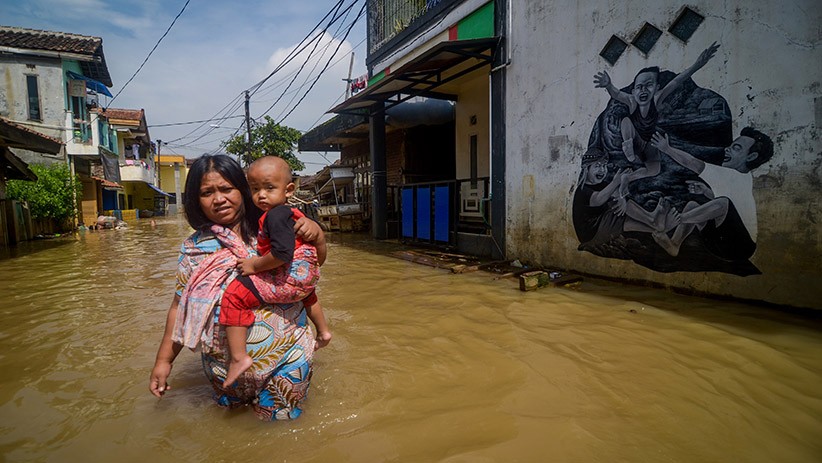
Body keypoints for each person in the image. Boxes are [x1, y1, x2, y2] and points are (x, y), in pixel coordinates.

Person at [148, 154, 327, 421]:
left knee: (281, 438)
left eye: (226, 189)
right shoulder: (193, 250)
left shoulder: (275, 228)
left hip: (287, 361)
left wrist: (318, 234)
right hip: (224, 369)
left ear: (242, 191)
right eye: (207, 192)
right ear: (196, 201)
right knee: (231, 436)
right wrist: (164, 361)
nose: (218, 199)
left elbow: (312, 269)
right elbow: (180, 308)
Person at [221, 156, 331, 388]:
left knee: (234, 295)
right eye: (255, 189)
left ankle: (239, 357)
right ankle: (323, 331)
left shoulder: (275, 215)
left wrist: (253, 265)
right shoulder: (294, 215)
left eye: (269, 188)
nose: (261, 195)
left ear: (289, 190)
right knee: (308, 294)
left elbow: (282, 254)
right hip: (305, 276)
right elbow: (316, 256)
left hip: (289, 275)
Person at [593, 42, 720, 182]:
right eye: (639, 87)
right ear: (634, 91)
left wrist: (697, 65)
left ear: (656, 88)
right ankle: (628, 148)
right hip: (633, 140)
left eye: (648, 85)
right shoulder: (631, 101)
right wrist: (609, 85)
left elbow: (677, 81)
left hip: (648, 142)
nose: (643, 90)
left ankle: (627, 178)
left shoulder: (657, 99)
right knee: (626, 121)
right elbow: (616, 94)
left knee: (654, 170)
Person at [650, 128, 774, 258]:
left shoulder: (729, 174)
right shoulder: (745, 177)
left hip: (741, 246)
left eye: (736, 148)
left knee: (722, 203)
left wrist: (667, 149)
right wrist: (705, 191)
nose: (727, 149)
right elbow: (731, 208)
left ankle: (677, 220)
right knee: (693, 205)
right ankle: (674, 244)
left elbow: (691, 162)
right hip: (720, 243)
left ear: (751, 156)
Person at [573, 147, 678, 249]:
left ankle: (657, 228)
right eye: (597, 166)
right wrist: (615, 182)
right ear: (587, 169)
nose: (602, 170)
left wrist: (622, 200)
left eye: (604, 166)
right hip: (590, 233)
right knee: (619, 208)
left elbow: (618, 194)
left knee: (625, 216)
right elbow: (598, 200)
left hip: (600, 229)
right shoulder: (582, 190)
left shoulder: (603, 184)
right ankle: (652, 220)